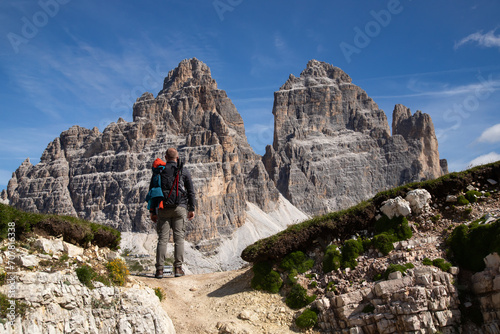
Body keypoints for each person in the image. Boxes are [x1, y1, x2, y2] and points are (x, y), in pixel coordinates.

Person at [149, 148, 196, 278]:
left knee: (162, 239)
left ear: (165, 157)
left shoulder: (158, 171)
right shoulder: (183, 170)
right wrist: (191, 208)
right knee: (179, 239)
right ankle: (178, 269)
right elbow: (191, 191)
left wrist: (153, 211)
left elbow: (152, 192)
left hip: (163, 208)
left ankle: (159, 270)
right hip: (180, 208)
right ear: (177, 157)